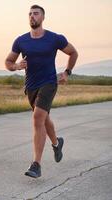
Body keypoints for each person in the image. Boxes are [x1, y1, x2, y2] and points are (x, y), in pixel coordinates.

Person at [5, 5, 78, 178]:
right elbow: (8, 61)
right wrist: (16, 66)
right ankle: (56, 143)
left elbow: (73, 52)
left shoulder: (54, 38)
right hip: (31, 86)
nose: (32, 16)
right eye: (30, 14)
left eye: (36, 13)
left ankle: (36, 164)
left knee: (37, 117)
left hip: (49, 83)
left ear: (43, 17)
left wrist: (67, 72)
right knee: (44, 120)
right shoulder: (21, 40)